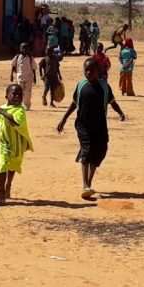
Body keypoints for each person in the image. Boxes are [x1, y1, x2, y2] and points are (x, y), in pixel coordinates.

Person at [57, 58, 125, 199]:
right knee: (87, 151)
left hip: (100, 126)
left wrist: (120, 112)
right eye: (85, 69)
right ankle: (85, 185)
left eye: (91, 70)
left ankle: (89, 182)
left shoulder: (104, 87)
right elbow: (74, 103)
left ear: (98, 71)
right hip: (83, 125)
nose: (88, 72)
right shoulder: (81, 85)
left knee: (99, 151)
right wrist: (64, 118)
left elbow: (112, 102)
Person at [0, 84, 34, 205]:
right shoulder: (2, 109)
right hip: (3, 142)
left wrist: (2, 112)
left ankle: (8, 184)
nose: (18, 97)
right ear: (6, 96)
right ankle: (2, 192)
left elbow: (15, 122)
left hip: (17, 144)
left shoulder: (20, 110)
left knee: (13, 166)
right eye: (14, 94)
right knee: (3, 164)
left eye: (20, 94)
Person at [10, 42, 37, 110]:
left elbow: (33, 68)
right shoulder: (17, 57)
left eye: (26, 48)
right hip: (20, 77)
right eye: (23, 48)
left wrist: (35, 78)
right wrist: (11, 75)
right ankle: (18, 104)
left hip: (29, 77)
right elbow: (13, 65)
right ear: (20, 49)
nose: (24, 49)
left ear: (28, 49)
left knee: (28, 92)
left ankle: (26, 105)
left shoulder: (30, 58)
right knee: (19, 91)